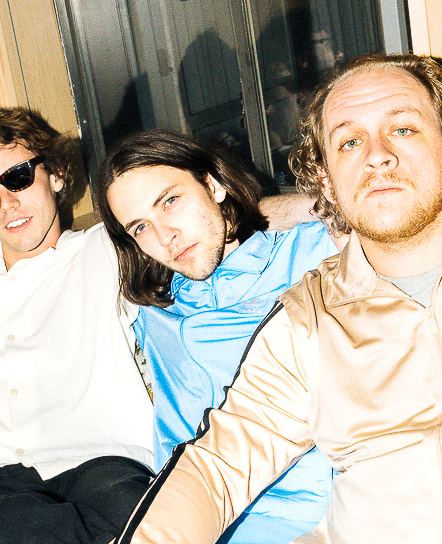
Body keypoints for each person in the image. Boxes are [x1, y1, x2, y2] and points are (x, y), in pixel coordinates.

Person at [110, 54, 442, 544]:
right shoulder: (307, 320)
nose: (376, 155)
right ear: (327, 181)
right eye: (349, 142)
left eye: (403, 129)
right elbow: (216, 469)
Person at [0, 107, 156, 544]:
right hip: (0, 481)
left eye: (18, 177)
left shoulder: (108, 250)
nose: (7, 203)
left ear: (55, 174)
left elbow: (215, 221)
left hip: (107, 464)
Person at [95, 129, 336, 544]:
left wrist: (309, 206)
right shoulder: (156, 311)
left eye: (170, 201)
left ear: (214, 185)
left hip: (338, 510)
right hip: (208, 518)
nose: (165, 236)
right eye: (141, 227)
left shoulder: (320, 250)